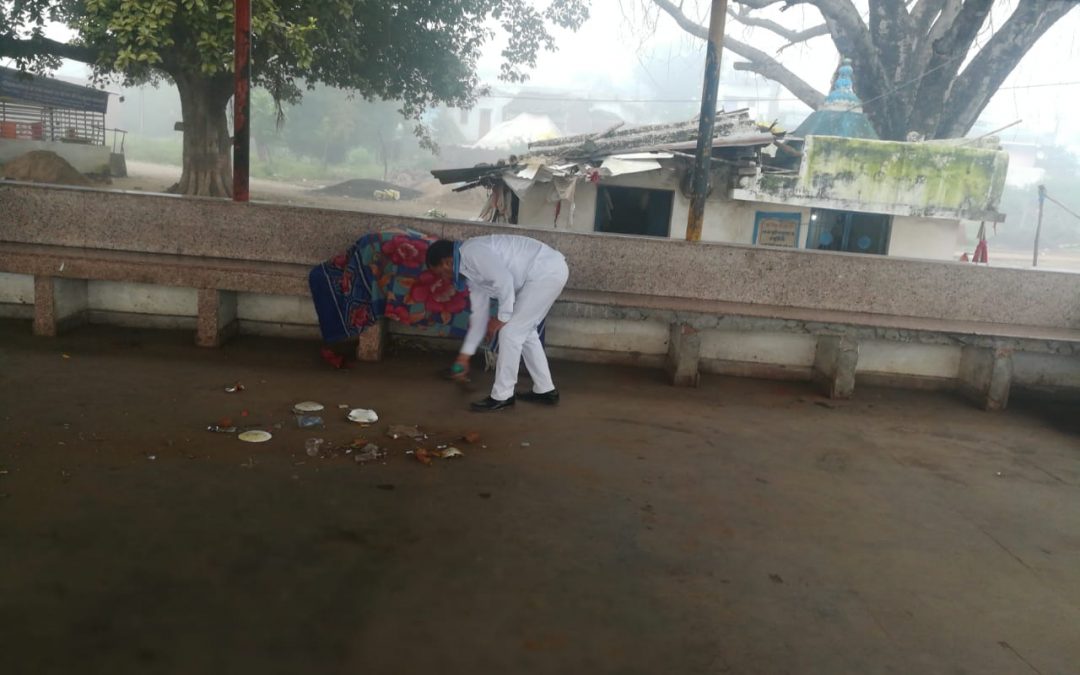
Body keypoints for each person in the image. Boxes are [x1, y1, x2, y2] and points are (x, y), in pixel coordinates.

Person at [426, 234, 569, 412]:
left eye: (440, 272)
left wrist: (501, 318)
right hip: (541, 274)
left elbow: (504, 281)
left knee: (510, 332)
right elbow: (479, 318)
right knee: (526, 332)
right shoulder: (470, 275)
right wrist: (465, 356)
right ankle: (545, 390)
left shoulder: (471, 252)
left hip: (545, 271)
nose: (444, 278)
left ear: (447, 262)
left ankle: (502, 396)